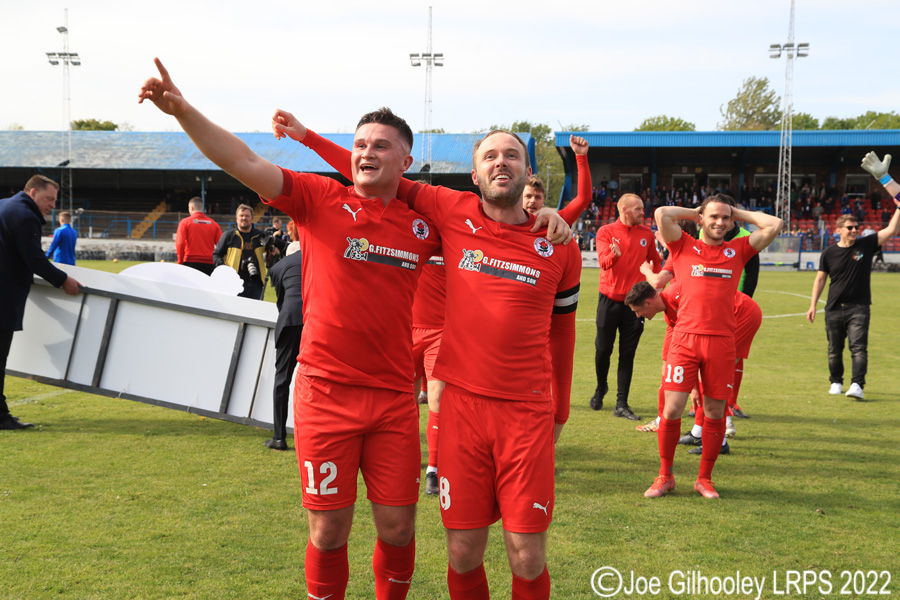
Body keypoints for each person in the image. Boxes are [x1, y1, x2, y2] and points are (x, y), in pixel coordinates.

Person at [278, 116, 579, 600]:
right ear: (475, 175)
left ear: (529, 173)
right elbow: (374, 171)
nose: (501, 162)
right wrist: (308, 138)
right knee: (462, 553)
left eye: (512, 155)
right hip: (460, 408)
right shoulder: (450, 210)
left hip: (526, 413)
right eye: (489, 156)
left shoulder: (558, 244)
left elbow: (563, 336)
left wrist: (560, 411)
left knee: (527, 554)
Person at [648, 196, 782, 499]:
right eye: (714, 217)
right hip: (684, 338)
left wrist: (736, 212)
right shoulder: (681, 245)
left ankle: (704, 479)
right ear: (701, 219)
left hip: (722, 341)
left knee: (715, 411)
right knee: (672, 409)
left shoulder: (738, 250)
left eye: (725, 218)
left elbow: (774, 224)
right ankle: (665, 476)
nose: (720, 223)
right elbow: (661, 213)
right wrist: (697, 213)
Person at [806, 151, 900, 400]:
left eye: (857, 227)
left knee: (859, 348)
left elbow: (891, 229)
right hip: (834, 307)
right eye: (850, 227)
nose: (855, 230)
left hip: (859, 307)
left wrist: (899, 207)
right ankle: (836, 381)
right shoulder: (829, 252)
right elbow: (820, 279)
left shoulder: (866, 245)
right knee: (834, 350)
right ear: (838, 230)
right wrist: (813, 305)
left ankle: (857, 385)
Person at [0, 176, 81, 430]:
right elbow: (34, 259)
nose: (52, 205)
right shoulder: (25, 216)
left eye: (55, 200)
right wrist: (63, 280)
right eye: (49, 199)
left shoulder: (4, 205)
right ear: (33, 192)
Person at [590, 193, 663, 420]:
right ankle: (601, 387)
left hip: (635, 305)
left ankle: (622, 403)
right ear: (624, 210)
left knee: (627, 354)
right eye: (639, 209)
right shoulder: (606, 232)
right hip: (609, 300)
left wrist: (657, 282)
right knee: (603, 350)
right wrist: (613, 255)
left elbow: (656, 262)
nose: (644, 213)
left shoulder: (646, 234)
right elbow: (603, 262)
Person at [265, 240, 303, 450]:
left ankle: (279, 437)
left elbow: (281, 302)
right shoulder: (315, 260)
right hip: (317, 320)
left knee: (282, 379)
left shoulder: (278, 267)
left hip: (289, 320)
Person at [212, 204, 269, 299]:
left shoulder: (261, 236)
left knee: (254, 313)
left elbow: (272, 250)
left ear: (252, 218)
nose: (244, 218)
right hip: (233, 283)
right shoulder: (228, 236)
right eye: (241, 216)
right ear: (236, 218)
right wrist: (224, 269)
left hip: (256, 283)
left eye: (247, 216)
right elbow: (216, 254)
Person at [175, 196, 221, 275]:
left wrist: (180, 262)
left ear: (191, 208)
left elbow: (180, 243)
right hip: (209, 264)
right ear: (202, 208)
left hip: (190, 262)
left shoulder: (185, 222)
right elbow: (221, 245)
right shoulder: (214, 224)